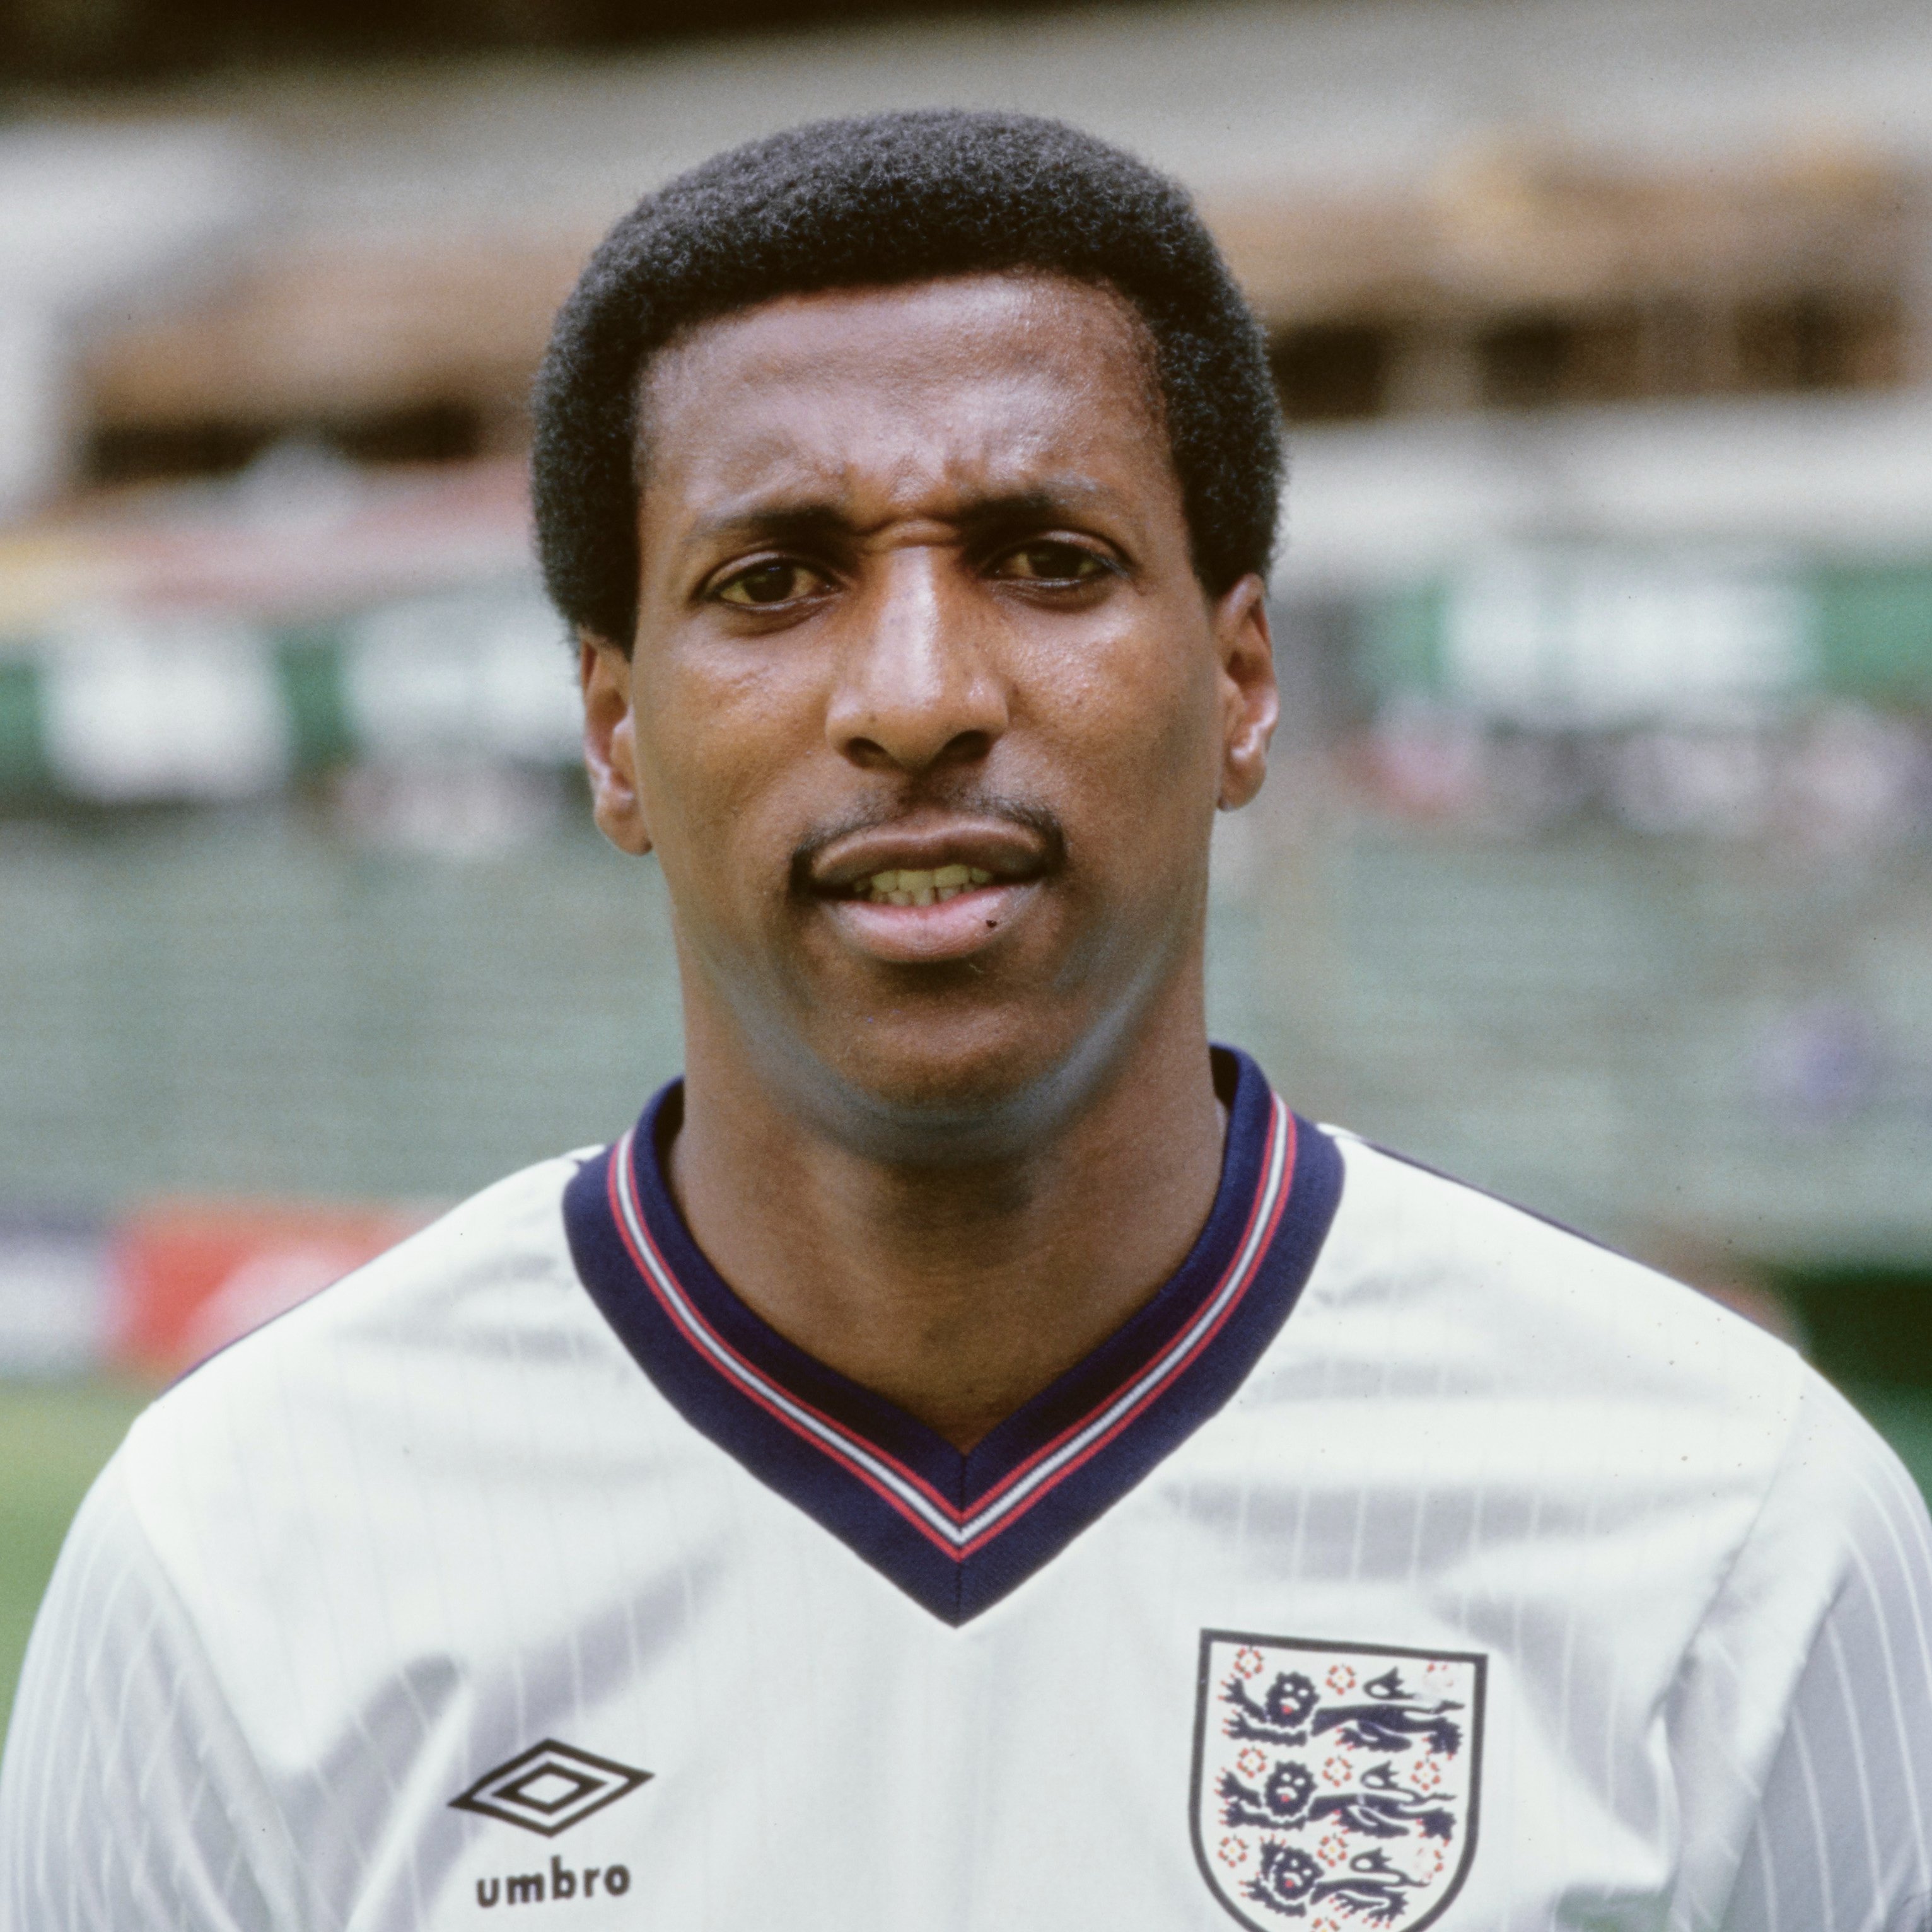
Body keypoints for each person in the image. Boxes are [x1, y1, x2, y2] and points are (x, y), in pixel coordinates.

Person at [3, 110, 1929, 1932]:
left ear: (1244, 679)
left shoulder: (1726, 1522)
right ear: (614, 732)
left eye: (1046, 561)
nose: (918, 692)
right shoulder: (242, 1549)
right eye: (774, 581)